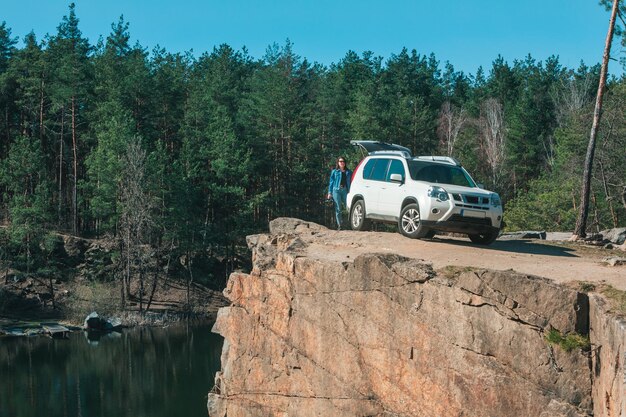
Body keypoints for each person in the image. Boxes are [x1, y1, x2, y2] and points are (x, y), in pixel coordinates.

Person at [327, 157, 352, 230]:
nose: (342, 162)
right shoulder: (334, 171)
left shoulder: (349, 172)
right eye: (340, 161)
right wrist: (329, 192)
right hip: (336, 191)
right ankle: (340, 226)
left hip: (345, 191)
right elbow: (331, 183)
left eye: (343, 161)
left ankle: (351, 224)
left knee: (349, 207)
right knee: (338, 208)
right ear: (338, 162)